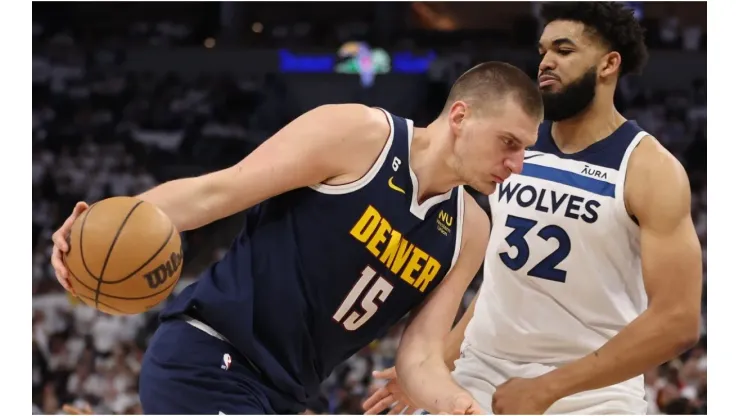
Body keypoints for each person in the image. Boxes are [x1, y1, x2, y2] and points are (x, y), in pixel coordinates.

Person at [50, 62, 543, 414]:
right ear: (460, 117)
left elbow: (418, 358)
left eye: (525, 151)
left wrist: (458, 405)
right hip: (210, 354)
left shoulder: (471, 231)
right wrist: (103, 225)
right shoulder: (358, 135)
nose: (517, 164)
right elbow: (215, 192)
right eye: (509, 143)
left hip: (285, 397)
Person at [363, 2, 703, 415]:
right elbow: (502, 282)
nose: (546, 62)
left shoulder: (650, 168)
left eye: (564, 50)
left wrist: (547, 388)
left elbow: (678, 320)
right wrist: (433, 366)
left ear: (609, 63)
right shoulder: (516, 146)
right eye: (543, 51)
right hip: (482, 371)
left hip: (592, 393)